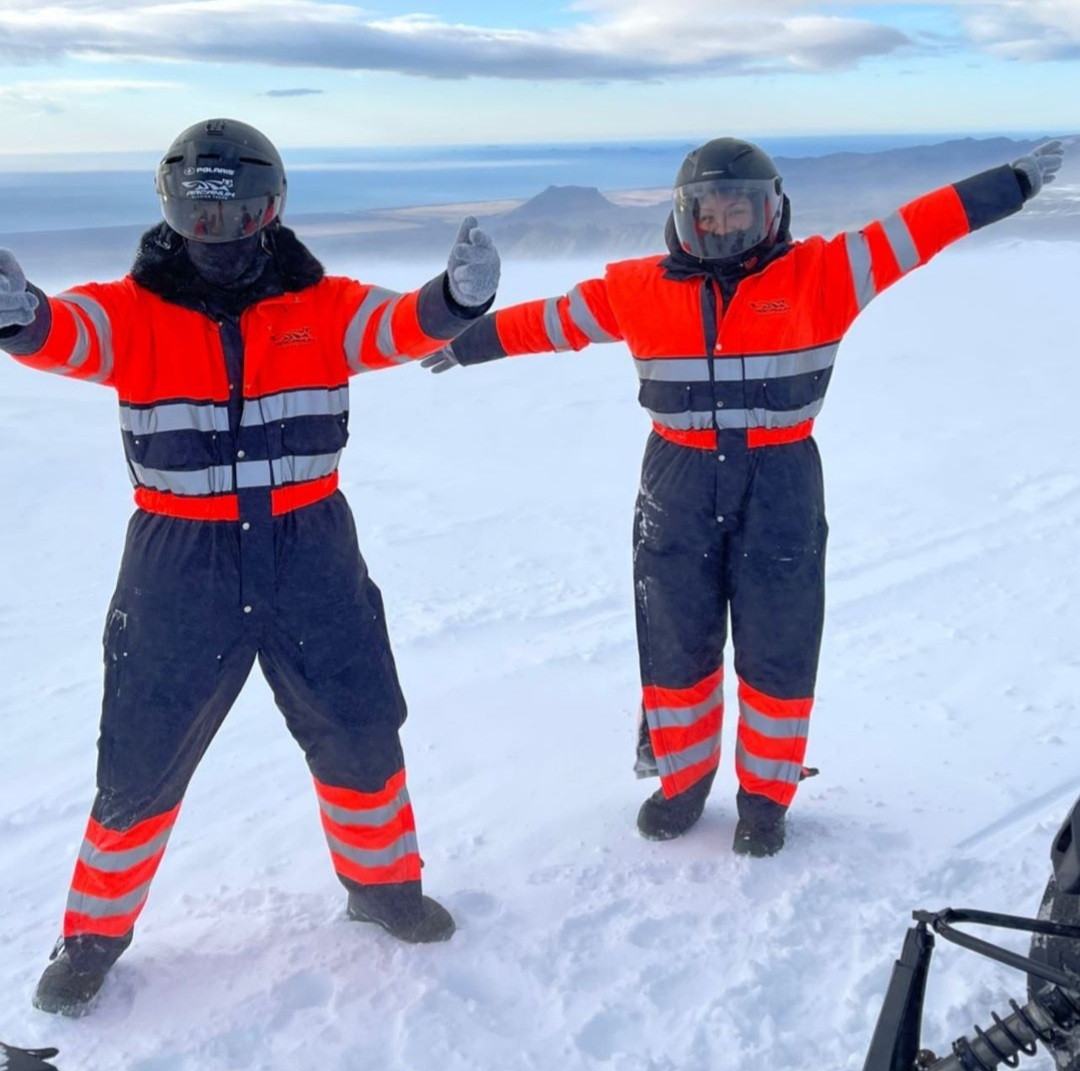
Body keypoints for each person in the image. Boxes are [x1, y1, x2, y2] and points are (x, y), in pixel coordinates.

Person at [421, 136, 1065, 858]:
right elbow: (554, 321)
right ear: (682, 216)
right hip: (677, 481)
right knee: (675, 644)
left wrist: (1008, 184)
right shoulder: (639, 288)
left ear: (774, 212)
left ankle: (765, 800)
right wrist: (465, 341)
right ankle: (682, 783)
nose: (722, 225)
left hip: (782, 480)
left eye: (739, 210)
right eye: (708, 211)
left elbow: (919, 228)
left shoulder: (827, 273)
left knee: (779, 648)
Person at [0, 118, 502, 1016]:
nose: (218, 231)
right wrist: (19, 313)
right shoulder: (131, 308)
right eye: (201, 211)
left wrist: (453, 303)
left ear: (271, 209)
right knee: (142, 756)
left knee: (359, 724)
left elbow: (393, 326)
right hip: (178, 561)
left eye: (236, 213)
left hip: (312, 545)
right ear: (174, 209)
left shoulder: (321, 302)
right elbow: (65, 333)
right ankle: (91, 939)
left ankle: (383, 887)